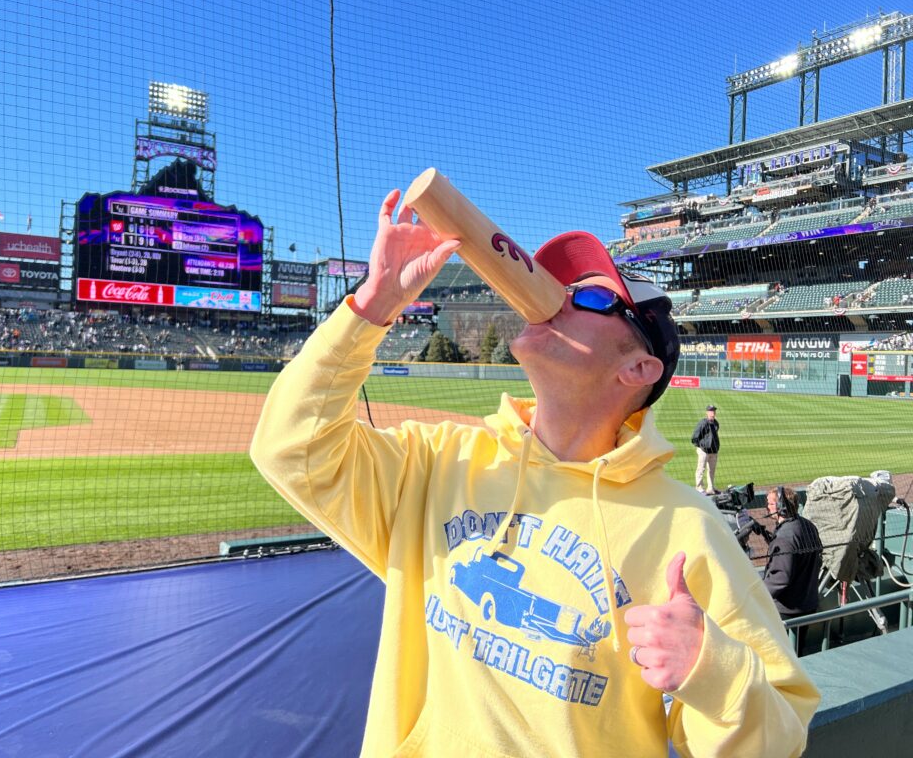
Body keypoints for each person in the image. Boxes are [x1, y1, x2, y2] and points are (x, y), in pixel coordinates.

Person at [250, 190, 819, 757]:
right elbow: (289, 450)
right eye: (563, 288)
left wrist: (711, 670)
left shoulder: (685, 528)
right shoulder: (440, 460)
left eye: (592, 297)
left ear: (638, 368)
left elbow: (781, 740)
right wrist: (372, 305)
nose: (560, 300)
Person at [762, 486, 824, 653]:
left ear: (781, 506)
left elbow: (781, 578)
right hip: (808, 603)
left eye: (770, 504)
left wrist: (757, 595)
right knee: (797, 652)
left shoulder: (784, 538)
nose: (768, 507)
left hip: (787, 610)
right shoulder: (808, 525)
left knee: (783, 655)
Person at [691, 405, 720, 494]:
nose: (713, 413)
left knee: (712, 470)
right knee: (701, 469)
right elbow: (694, 437)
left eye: (714, 411)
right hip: (704, 451)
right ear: (707, 413)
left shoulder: (716, 423)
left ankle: (710, 488)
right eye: (711, 411)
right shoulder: (703, 423)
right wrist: (701, 447)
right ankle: (699, 488)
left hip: (713, 451)